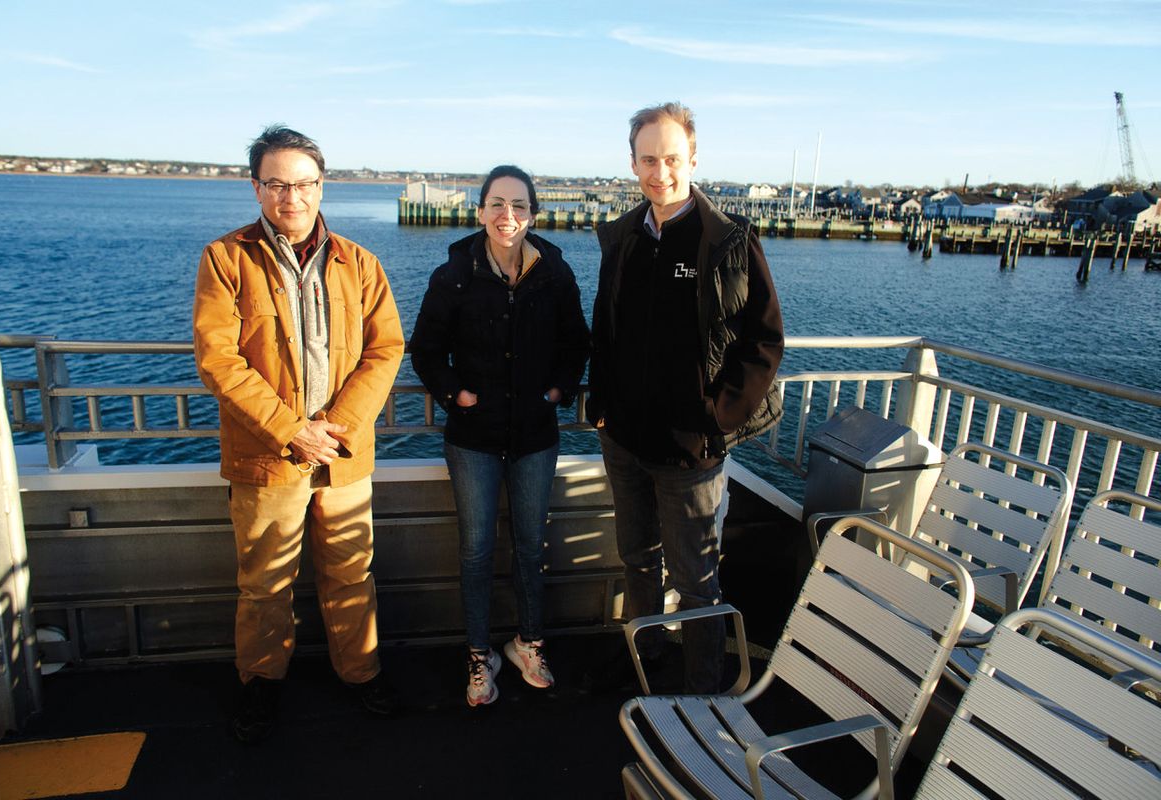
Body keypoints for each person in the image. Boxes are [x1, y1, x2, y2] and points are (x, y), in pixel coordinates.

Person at [193, 125, 404, 742]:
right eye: (277, 184)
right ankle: (261, 683)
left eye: (304, 183)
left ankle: (361, 673)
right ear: (256, 187)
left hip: (342, 453)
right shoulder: (226, 258)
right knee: (264, 582)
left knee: (351, 572)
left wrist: (333, 429)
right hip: (267, 455)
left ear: (322, 184)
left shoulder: (360, 263)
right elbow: (218, 358)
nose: (292, 197)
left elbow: (385, 350)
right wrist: (292, 430)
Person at [587, 103, 784, 694]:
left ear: (692, 159)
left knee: (697, 579)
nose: (660, 171)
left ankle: (705, 689)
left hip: (690, 450)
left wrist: (716, 420)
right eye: (648, 159)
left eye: (672, 158)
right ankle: (642, 664)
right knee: (638, 562)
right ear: (633, 164)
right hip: (624, 438)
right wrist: (601, 403)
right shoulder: (622, 237)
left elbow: (765, 341)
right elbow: (607, 326)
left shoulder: (725, 240)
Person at [410, 165, 590, 706]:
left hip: (535, 434)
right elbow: (425, 349)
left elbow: (576, 343)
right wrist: (454, 395)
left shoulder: (554, 272)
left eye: (517, 205)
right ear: (480, 209)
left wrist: (558, 392)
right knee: (476, 550)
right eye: (496, 204)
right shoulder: (456, 273)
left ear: (533, 213)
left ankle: (528, 642)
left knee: (532, 545)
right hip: (473, 438)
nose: (506, 216)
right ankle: (478, 654)